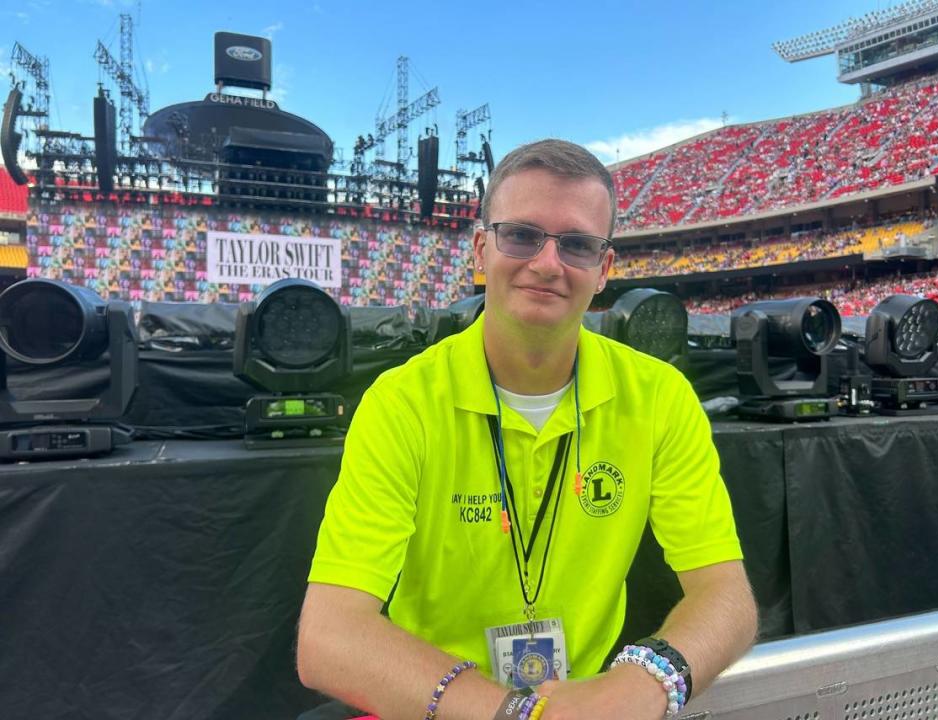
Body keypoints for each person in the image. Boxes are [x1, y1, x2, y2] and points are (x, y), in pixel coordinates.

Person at [297, 139, 757, 719]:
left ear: (604, 270)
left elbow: (727, 597)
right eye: (521, 236)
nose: (547, 263)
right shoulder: (403, 402)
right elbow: (328, 639)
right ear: (480, 250)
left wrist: (643, 683)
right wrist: (517, 714)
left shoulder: (660, 396)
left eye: (578, 245)